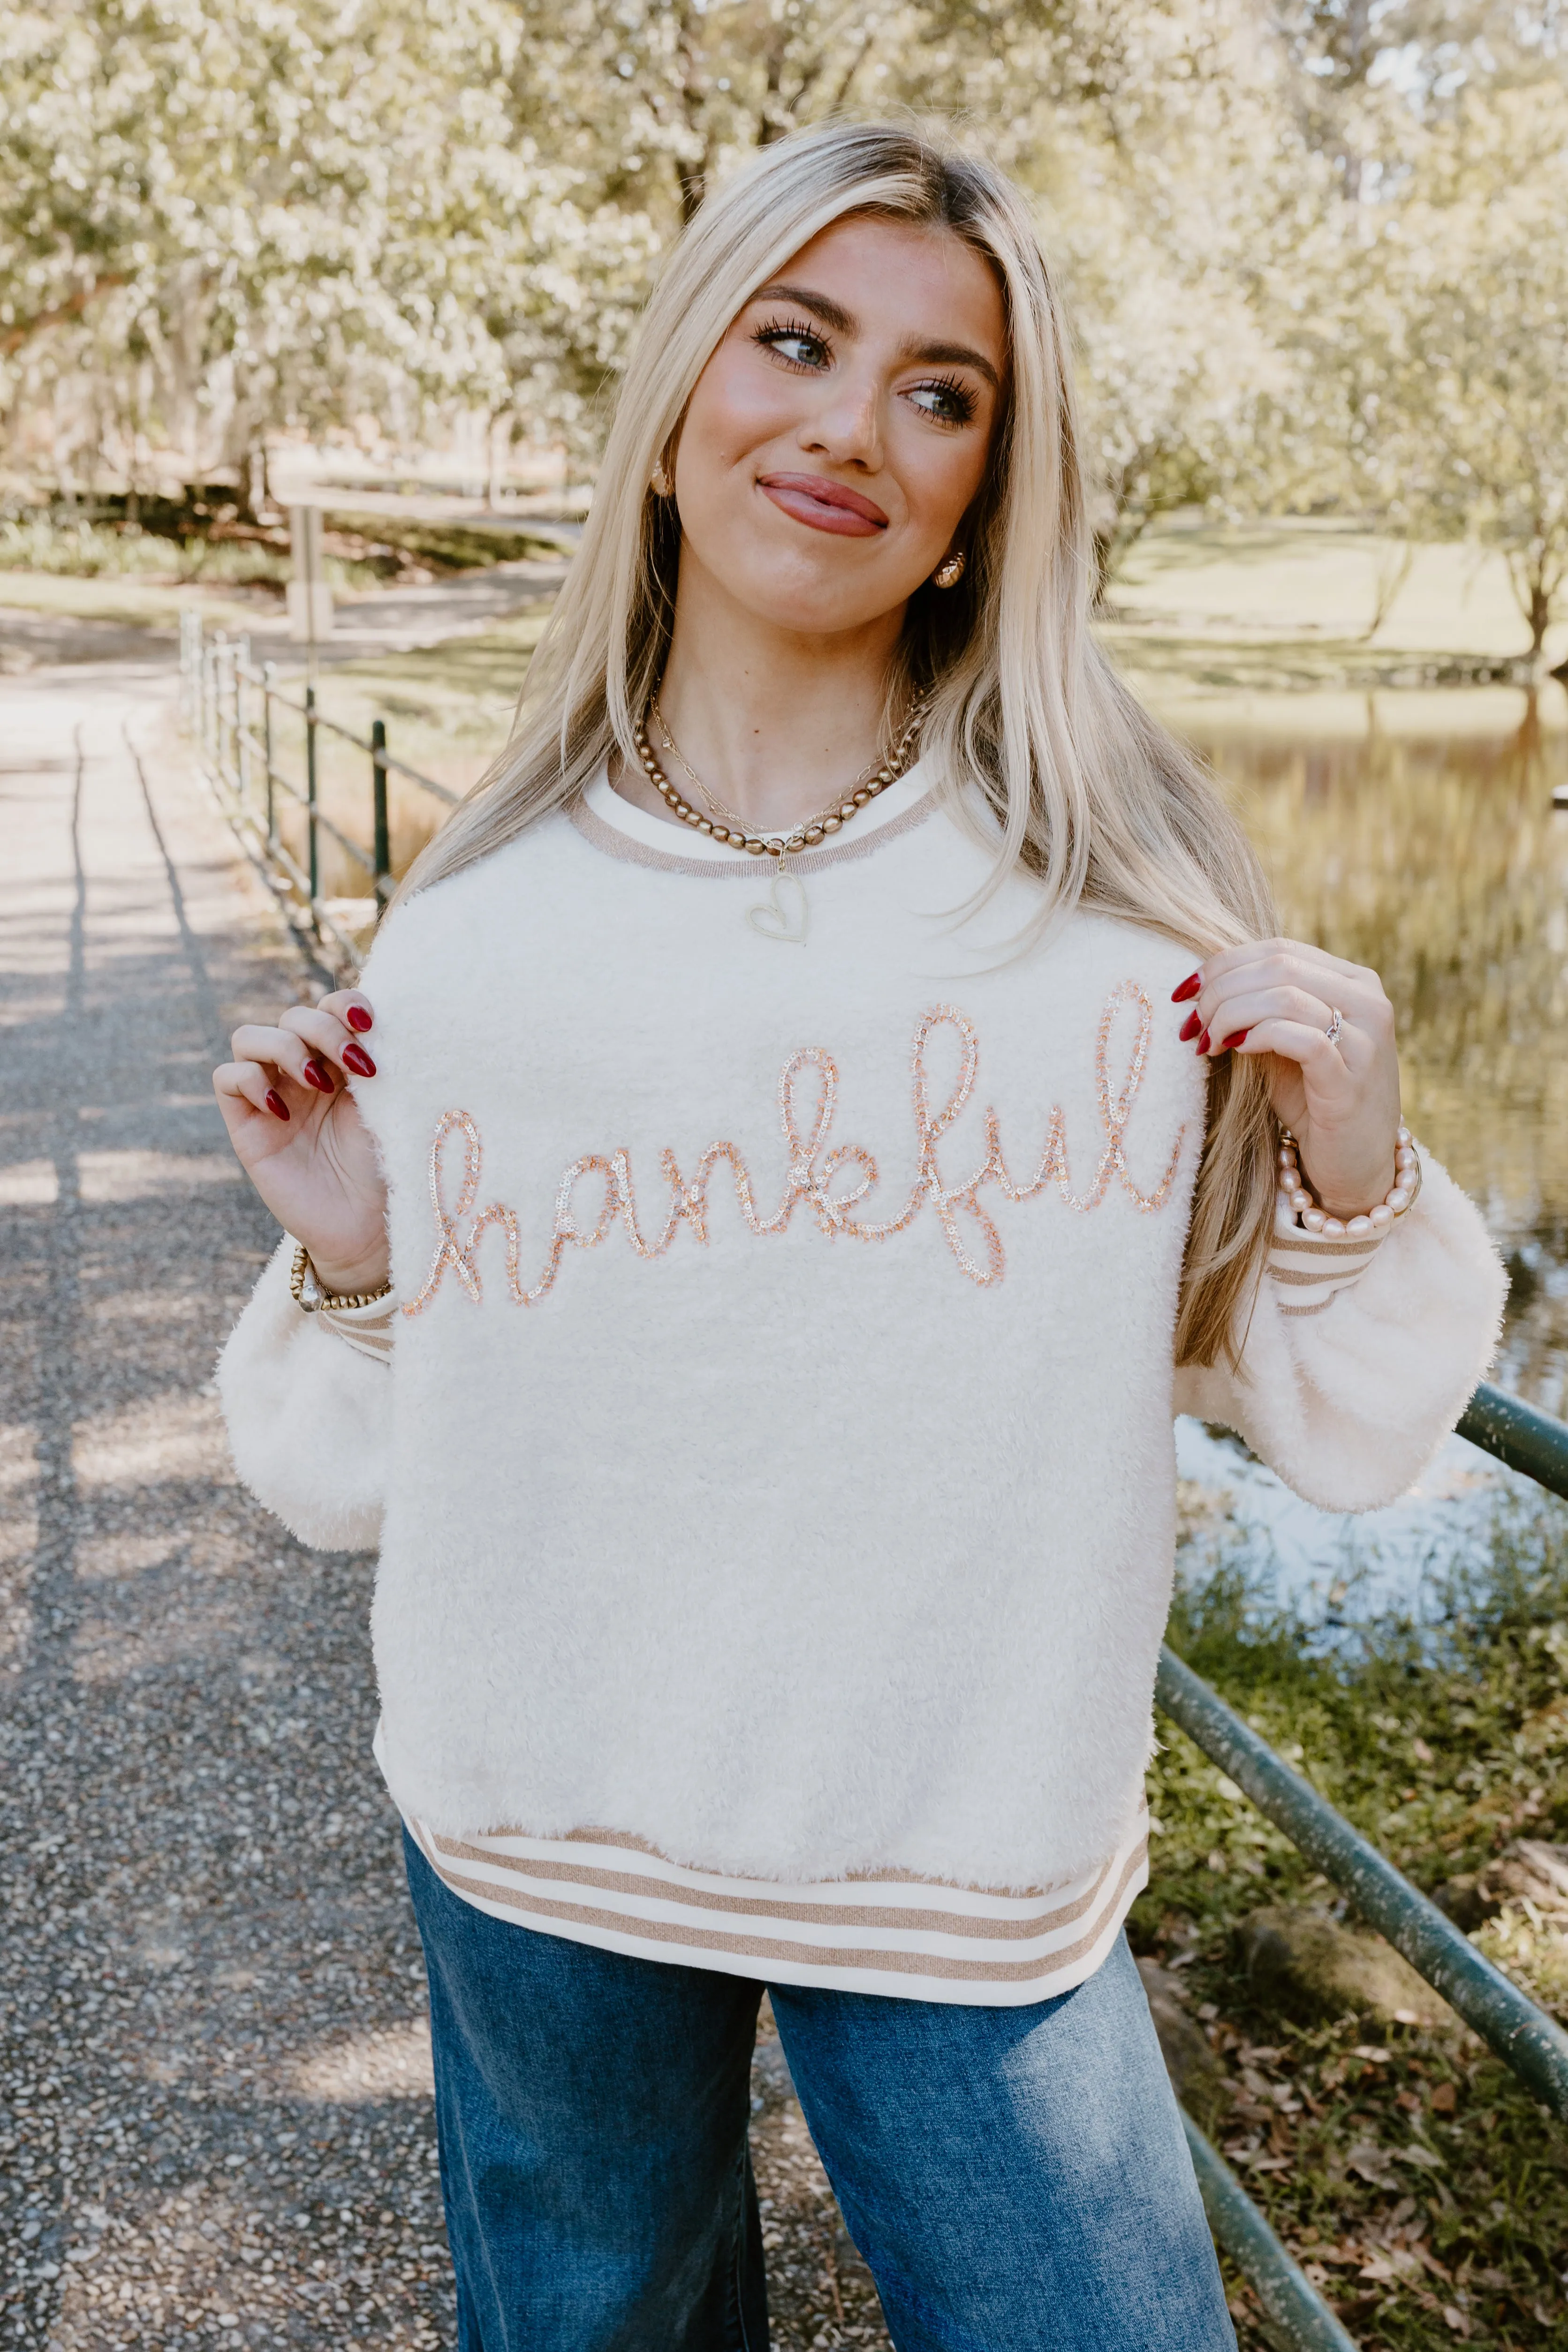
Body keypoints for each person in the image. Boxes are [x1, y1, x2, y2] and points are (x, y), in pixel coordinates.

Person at [212, 121, 1503, 2352]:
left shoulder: (1116, 920)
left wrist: (1351, 1157)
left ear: (983, 502)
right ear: (671, 417)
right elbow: (347, 1477)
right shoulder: (483, 931)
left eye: (942, 391)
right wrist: (355, 1259)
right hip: (543, 1827)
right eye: (795, 340)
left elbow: (1354, 1426)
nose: (850, 425)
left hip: (963, 1861)